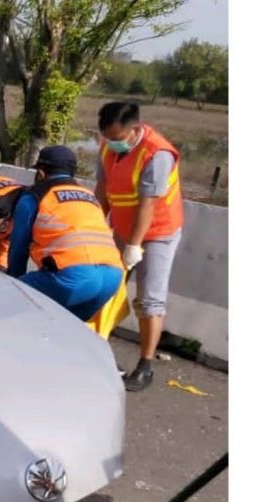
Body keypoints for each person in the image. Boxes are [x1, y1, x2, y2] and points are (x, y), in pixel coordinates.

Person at [95, 101, 184, 392]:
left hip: (158, 230)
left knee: (149, 300)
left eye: (117, 138)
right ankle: (97, 352)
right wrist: (96, 229)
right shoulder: (108, 147)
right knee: (107, 286)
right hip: (122, 227)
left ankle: (145, 366)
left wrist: (133, 246)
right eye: (107, 137)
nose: (111, 143)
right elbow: (102, 191)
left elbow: (147, 205)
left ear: (135, 130)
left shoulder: (157, 154)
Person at [6, 146, 124, 322]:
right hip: (112, 278)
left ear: (40, 173)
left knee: (9, 299)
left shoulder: (35, 196)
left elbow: (18, 249)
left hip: (74, 277)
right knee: (64, 329)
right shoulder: (89, 196)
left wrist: (12, 284)